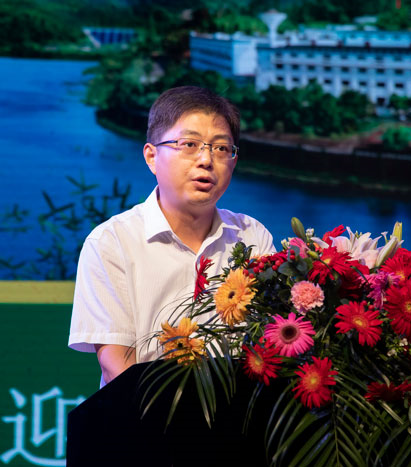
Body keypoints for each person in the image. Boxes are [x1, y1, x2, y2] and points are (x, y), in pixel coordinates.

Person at [68, 86, 275, 387]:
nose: (206, 160)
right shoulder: (112, 242)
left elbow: (271, 344)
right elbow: (116, 365)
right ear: (152, 157)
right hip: (142, 412)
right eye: (189, 144)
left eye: (221, 148)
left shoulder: (251, 236)